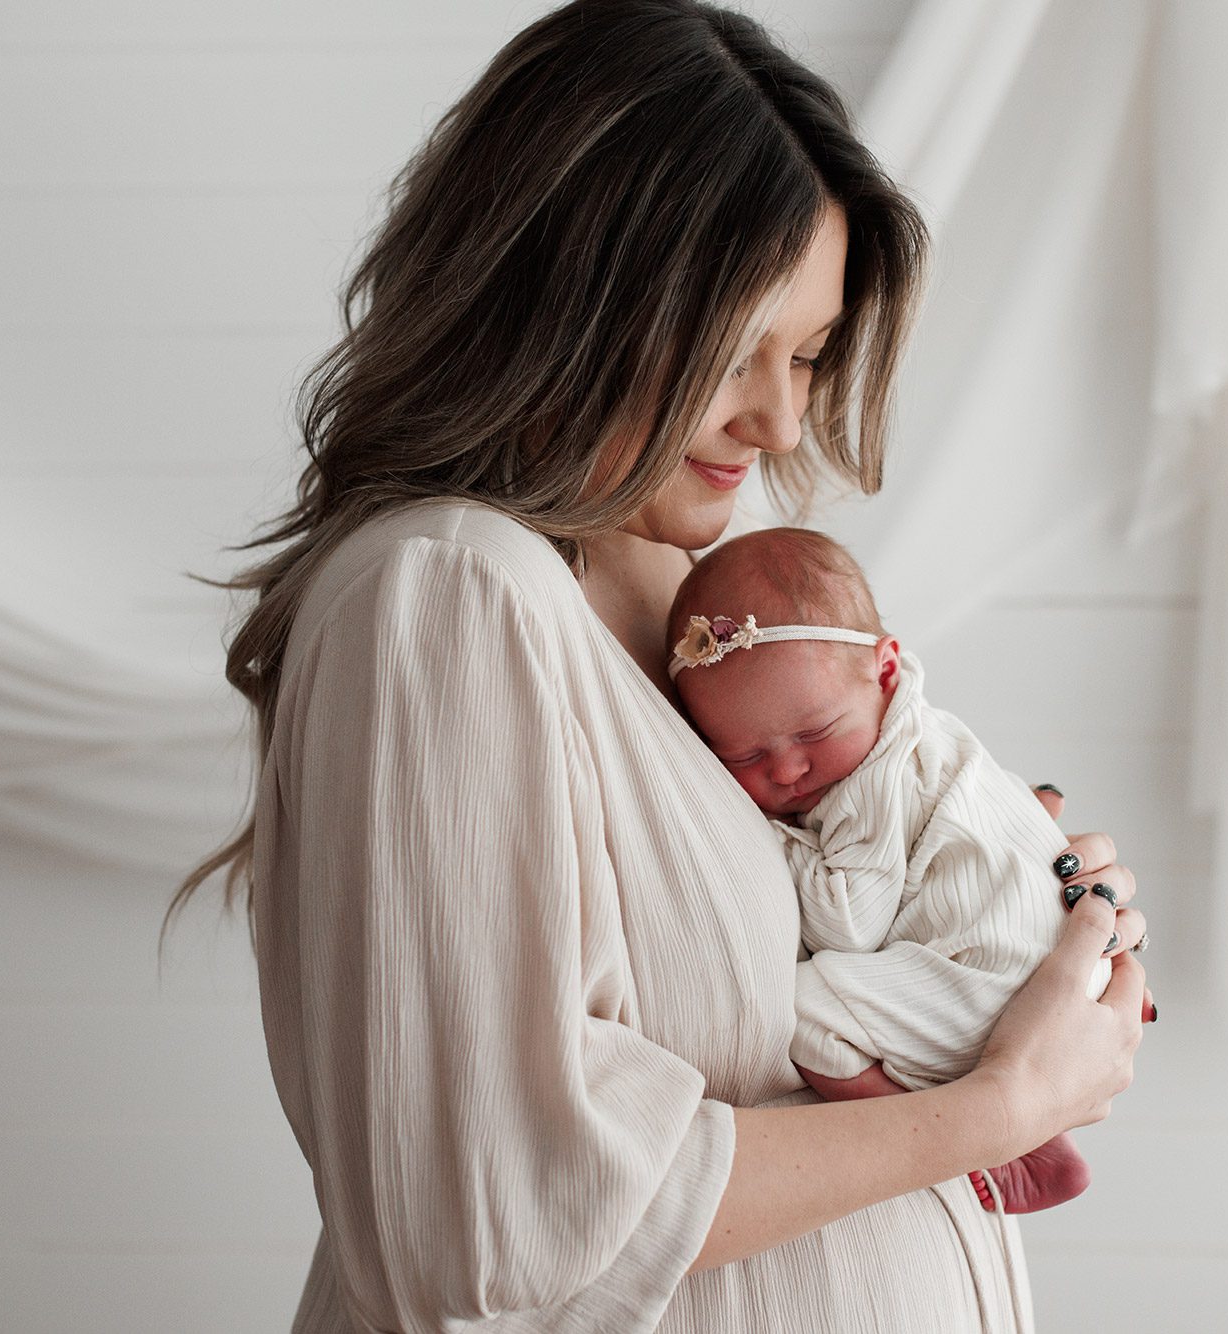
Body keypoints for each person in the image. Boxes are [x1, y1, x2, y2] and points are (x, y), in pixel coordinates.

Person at [166, 2, 1149, 1329]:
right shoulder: (452, 592)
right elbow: (491, 1213)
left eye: (806, 354)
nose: (782, 415)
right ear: (568, 299)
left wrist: (1003, 900)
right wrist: (999, 1108)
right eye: (731, 347)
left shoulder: (696, 608)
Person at [666, 527, 1147, 1218]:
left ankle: (980, 1142)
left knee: (806, 1012)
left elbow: (847, 921)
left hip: (994, 979)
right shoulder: (923, 732)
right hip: (1043, 967)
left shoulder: (870, 782)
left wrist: (768, 835)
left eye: (812, 734)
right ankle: (1016, 1132)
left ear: (886, 670)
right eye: (742, 757)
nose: (786, 770)